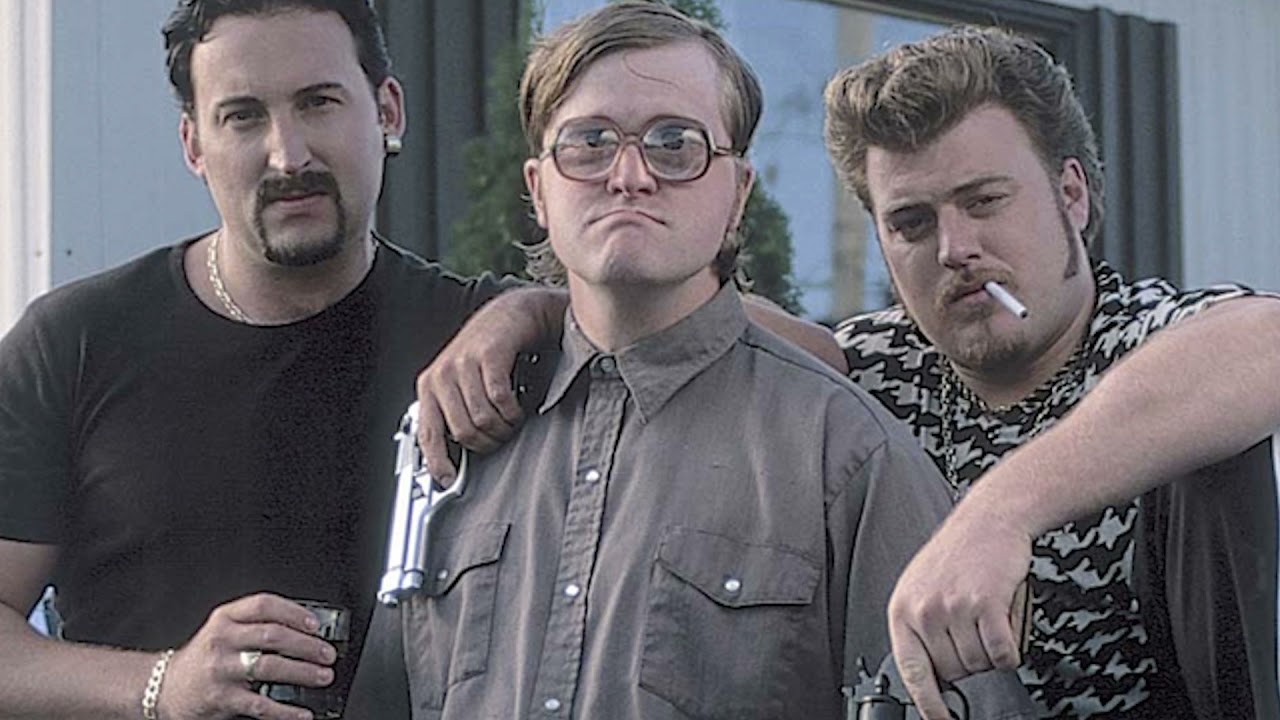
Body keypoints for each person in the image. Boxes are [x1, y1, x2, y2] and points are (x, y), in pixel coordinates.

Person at [0, 2, 845, 718]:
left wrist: (543, 306)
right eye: (243, 116)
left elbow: (806, 355)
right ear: (194, 144)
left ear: (389, 112)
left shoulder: (482, 336)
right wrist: (163, 684)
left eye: (320, 103)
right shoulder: (76, 342)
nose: (288, 154)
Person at [347, 3, 954, 718]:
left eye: (675, 143)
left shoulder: (847, 457)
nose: (629, 175)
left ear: (738, 194)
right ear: (539, 190)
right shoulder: (456, 437)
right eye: (590, 142)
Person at [822, 25, 1280, 719]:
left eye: (984, 200)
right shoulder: (871, 369)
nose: (954, 248)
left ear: (1071, 195)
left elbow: (1266, 340)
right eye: (912, 223)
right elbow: (719, 343)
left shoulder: (1142, 338)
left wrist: (998, 512)